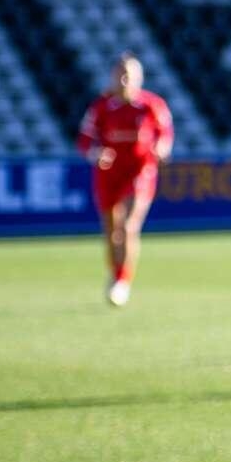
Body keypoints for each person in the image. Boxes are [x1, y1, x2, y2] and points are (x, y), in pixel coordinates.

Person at [76, 52, 172, 307]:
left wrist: (161, 149)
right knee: (111, 231)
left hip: (140, 172)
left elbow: (165, 133)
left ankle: (123, 281)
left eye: (129, 75)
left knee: (128, 227)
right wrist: (95, 153)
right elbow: (84, 140)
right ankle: (115, 271)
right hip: (108, 174)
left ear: (139, 78)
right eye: (120, 74)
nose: (124, 79)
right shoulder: (101, 107)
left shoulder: (152, 105)